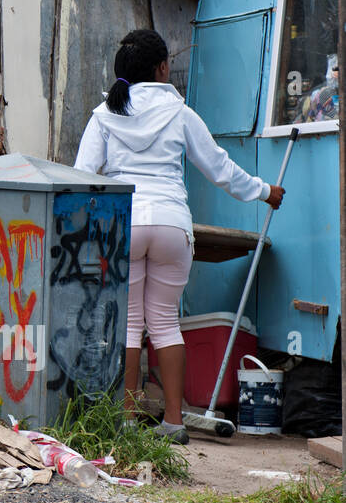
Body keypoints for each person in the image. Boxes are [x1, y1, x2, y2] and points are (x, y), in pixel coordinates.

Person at [73, 29, 285, 444]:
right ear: (163, 68)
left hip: (126, 226)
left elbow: (82, 178)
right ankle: (173, 422)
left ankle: (127, 422)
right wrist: (264, 191)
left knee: (130, 326)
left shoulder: (103, 116)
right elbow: (220, 169)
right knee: (166, 324)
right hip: (171, 224)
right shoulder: (180, 113)